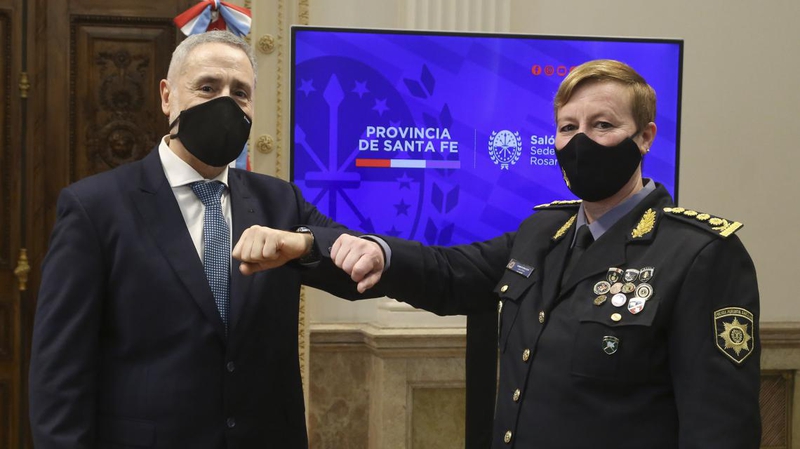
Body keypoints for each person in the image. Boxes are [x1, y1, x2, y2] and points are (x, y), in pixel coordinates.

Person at [304, 60, 762, 447]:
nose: (580, 142)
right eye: (568, 128)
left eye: (603, 125)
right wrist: (381, 252)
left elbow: (720, 429)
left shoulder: (700, 254)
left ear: (645, 137)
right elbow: (450, 273)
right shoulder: (542, 232)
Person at [28, 30, 363, 449]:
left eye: (240, 93)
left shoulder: (280, 202)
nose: (225, 103)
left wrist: (305, 243)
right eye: (207, 87)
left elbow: (356, 262)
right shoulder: (94, 209)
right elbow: (59, 374)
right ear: (167, 96)